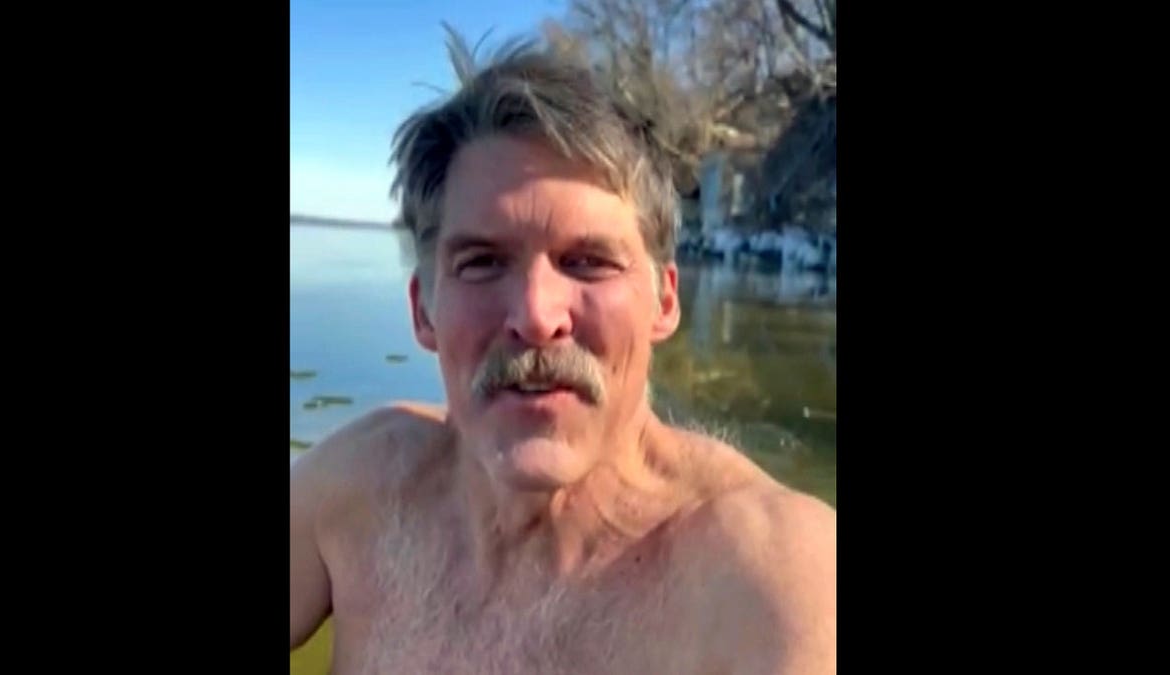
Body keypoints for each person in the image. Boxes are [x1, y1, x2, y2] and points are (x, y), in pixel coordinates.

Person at [290, 34, 836, 675]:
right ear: (423, 310)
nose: (536, 317)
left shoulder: (773, 583)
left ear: (663, 303)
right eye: (483, 262)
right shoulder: (357, 491)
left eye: (588, 262)